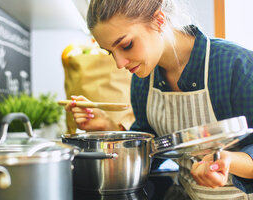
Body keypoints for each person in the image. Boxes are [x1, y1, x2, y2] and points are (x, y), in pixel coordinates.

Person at [64, 0, 253, 199]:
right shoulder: (143, 81)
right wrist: (107, 127)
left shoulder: (237, 66)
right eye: (111, 52)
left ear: (158, 20)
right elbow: (151, 152)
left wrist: (228, 161)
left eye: (126, 45)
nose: (119, 63)